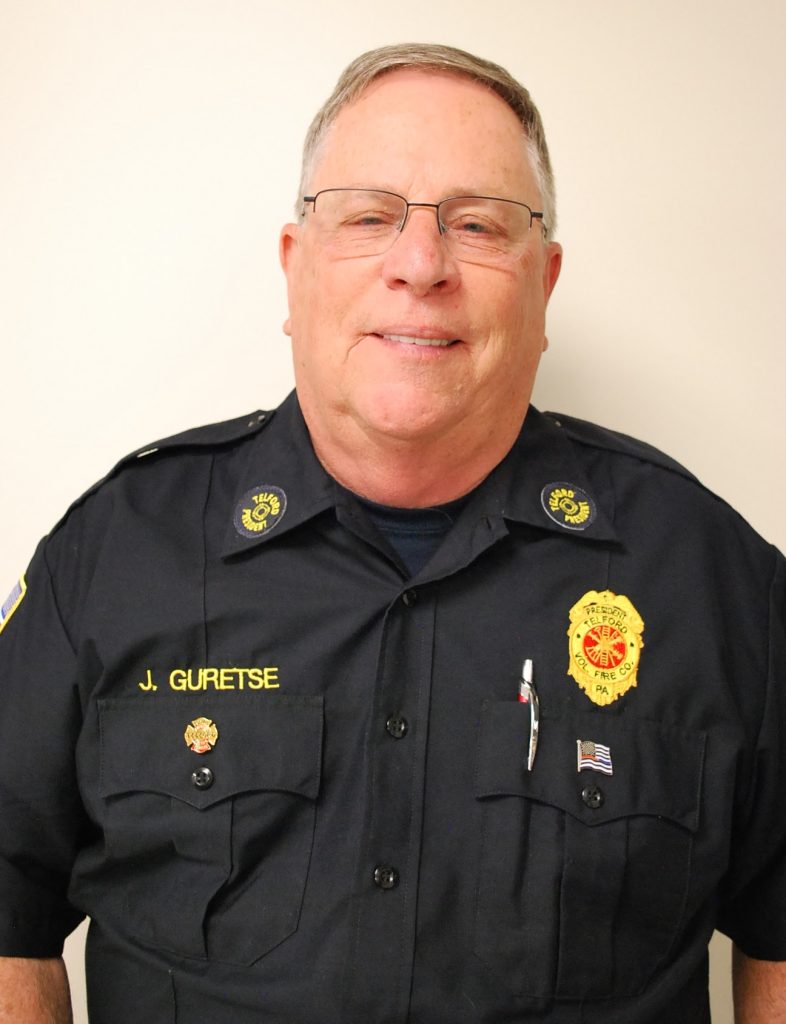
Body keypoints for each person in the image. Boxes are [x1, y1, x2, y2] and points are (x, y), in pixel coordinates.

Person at [0, 41, 784, 1024]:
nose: (420, 265)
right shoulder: (114, 556)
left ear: (543, 283)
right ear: (295, 267)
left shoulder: (713, 581)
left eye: (477, 223)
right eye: (370, 217)